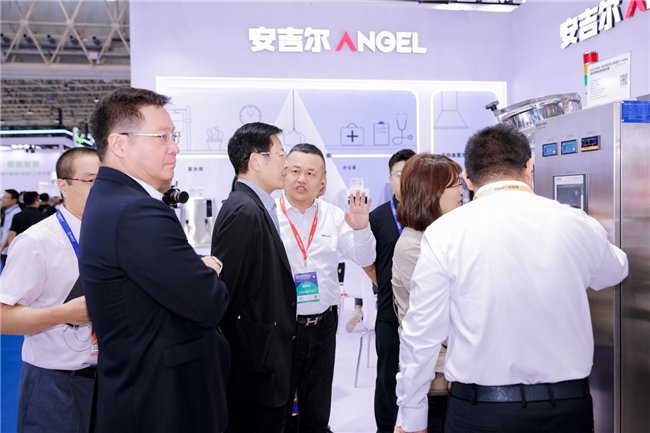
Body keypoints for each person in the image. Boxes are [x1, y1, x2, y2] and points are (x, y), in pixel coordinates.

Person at [395, 124, 629, 433]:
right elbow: (616, 270)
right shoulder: (574, 222)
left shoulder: (444, 233)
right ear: (529, 166)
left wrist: (411, 414)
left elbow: (421, 333)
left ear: (469, 179)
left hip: (480, 412)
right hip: (566, 409)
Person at [79, 87, 229, 433]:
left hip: (142, 389)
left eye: (173, 137)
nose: (174, 147)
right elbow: (209, 302)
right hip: (160, 400)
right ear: (119, 144)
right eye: (162, 137)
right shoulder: (136, 211)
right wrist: (210, 270)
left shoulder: (113, 199)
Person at [276, 143, 376, 433]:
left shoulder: (334, 216)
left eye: (311, 173)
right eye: (295, 171)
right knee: (281, 407)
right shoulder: (268, 216)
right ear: (283, 173)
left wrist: (361, 228)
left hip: (323, 325)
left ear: (322, 182)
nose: (301, 179)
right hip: (282, 325)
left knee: (317, 408)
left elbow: (364, 258)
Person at [0, 148, 100, 433]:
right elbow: (3, 318)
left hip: (112, 380)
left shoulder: (115, 235)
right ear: (63, 185)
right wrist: (63, 314)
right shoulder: (37, 242)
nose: (102, 190)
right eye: (91, 180)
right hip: (55, 383)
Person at [211, 122, 296, 433]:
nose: (286, 164)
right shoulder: (244, 212)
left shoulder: (255, 206)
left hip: (265, 359)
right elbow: (225, 293)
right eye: (281, 155)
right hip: (255, 366)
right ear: (257, 161)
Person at [391, 153, 463, 433]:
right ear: (431, 193)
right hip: (435, 377)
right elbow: (432, 320)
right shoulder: (414, 246)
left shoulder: (441, 236)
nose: (461, 191)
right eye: (454, 185)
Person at [362, 148, 415, 433]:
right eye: (398, 174)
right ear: (389, 178)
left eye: (411, 174)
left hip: (426, 311)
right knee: (387, 377)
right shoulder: (377, 217)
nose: (404, 180)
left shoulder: (433, 213)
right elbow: (366, 260)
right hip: (389, 312)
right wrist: (384, 284)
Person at [1, 189, 21, 269]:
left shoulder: (16, 213)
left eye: (6, 197)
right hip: (4, 248)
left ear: (14, 200)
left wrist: (2, 247)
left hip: (8, 249)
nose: (3, 199)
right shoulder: (8, 211)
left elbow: (11, 233)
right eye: (3, 197)